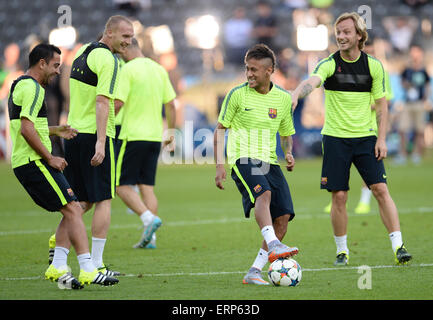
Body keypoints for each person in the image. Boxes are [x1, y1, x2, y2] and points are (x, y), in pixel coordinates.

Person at [291, 12, 412, 266]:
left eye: (346, 32)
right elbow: (312, 81)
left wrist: (381, 140)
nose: (341, 36)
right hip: (335, 139)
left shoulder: (373, 66)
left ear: (359, 35)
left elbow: (382, 106)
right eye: (338, 32)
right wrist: (295, 93)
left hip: (366, 139)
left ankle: (398, 246)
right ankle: (342, 251)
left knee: (380, 189)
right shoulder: (329, 63)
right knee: (340, 196)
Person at [8, 43, 118, 288]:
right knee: (74, 209)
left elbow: (24, 126)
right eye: (56, 65)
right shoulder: (34, 89)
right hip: (33, 163)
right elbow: (26, 130)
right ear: (42, 63)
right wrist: (50, 157)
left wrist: (55, 130)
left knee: (73, 208)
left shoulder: (19, 84)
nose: (59, 72)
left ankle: (58, 266)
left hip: (27, 162)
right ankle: (88, 268)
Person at [49, 15, 134, 276]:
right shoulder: (109, 60)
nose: (128, 42)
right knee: (104, 199)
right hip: (94, 135)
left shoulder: (83, 52)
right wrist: (101, 142)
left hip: (74, 135)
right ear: (109, 33)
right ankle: (97, 264)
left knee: (77, 204)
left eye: (131, 38)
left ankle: (58, 262)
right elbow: (102, 102)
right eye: (125, 36)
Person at [214, 44, 298, 285]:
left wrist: (289, 153)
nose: (249, 74)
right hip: (243, 158)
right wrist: (220, 166)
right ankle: (274, 245)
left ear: (269, 70)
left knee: (283, 217)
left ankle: (254, 271)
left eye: (254, 70)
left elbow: (286, 133)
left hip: (271, 161)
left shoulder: (282, 98)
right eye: (247, 69)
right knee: (265, 194)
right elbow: (219, 131)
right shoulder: (237, 95)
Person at [114, 38, 177, 249]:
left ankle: (149, 219)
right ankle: (151, 239)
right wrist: (170, 132)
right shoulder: (159, 69)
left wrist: (102, 125)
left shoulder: (128, 70)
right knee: (147, 187)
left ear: (127, 48)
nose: (119, 53)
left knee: (121, 186)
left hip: (132, 135)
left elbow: (118, 103)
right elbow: (171, 104)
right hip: (154, 136)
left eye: (121, 49)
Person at [394, 45, 431, 165]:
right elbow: (401, 82)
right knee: (402, 129)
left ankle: (417, 154)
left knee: (419, 130)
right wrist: (407, 85)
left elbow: (426, 85)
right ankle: (402, 154)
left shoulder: (423, 70)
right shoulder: (406, 69)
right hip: (407, 103)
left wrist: (426, 98)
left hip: (419, 103)